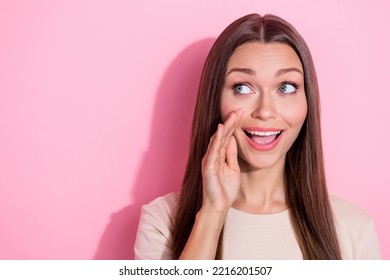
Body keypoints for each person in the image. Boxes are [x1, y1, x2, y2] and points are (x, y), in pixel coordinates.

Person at [134, 13, 381, 260]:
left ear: (307, 101)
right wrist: (212, 212)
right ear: (215, 100)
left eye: (285, 87)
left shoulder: (353, 228)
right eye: (242, 87)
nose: (265, 111)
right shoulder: (163, 222)